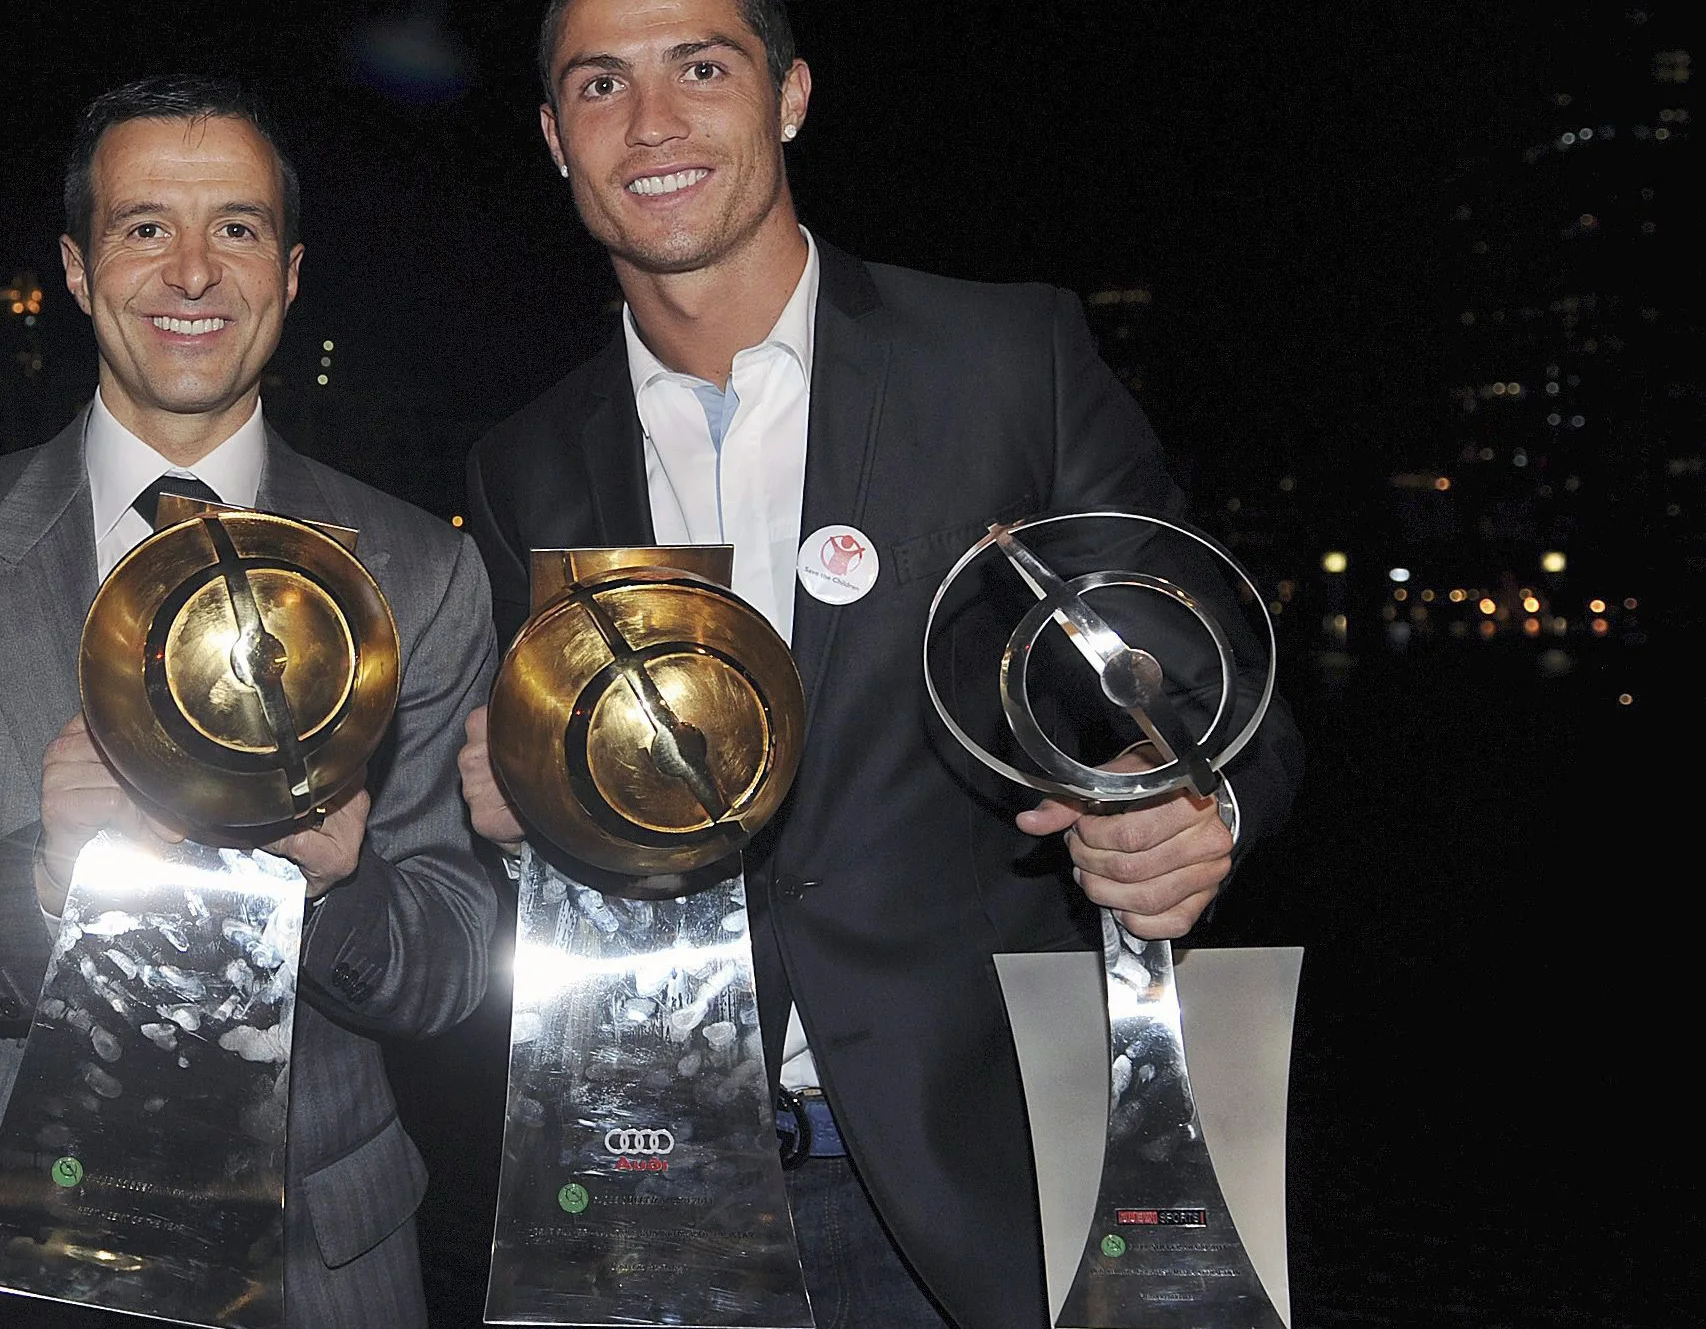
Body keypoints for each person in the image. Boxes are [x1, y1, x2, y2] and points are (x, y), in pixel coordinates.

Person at [456, 3, 1306, 1327]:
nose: (655, 121)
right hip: (667, 1184)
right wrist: (522, 803)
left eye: (701, 65)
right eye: (601, 84)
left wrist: (1199, 806)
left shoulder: (1001, 360)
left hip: (974, 1178)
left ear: (788, 94)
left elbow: (1213, 691)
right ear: (556, 138)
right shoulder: (525, 465)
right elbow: (584, 823)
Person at [0, 76, 498, 1329]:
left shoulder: (418, 571)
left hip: (316, 1263)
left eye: (233, 229)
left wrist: (341, 891)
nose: (191, 274)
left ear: (287, 273)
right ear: (76, 270)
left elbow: (449, 962)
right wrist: (46, 883)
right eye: (142, 229)